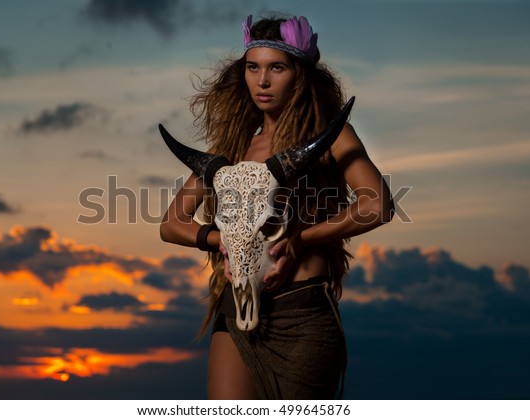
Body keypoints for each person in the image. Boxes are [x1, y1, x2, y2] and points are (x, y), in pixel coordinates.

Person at [160, 14, 394, 399]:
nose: (262, 80)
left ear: (300, 75)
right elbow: (171, 225)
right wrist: (225, 239)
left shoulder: (332, 138)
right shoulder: (232, 150)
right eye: (253, 67)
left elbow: (378, 206)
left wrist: (299, 240)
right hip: (235, 310)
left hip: (301, 312)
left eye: (277, 68)